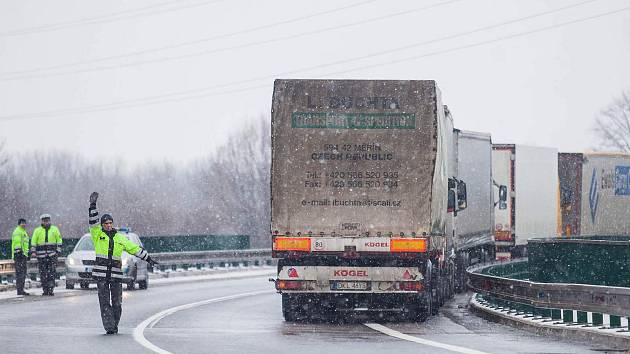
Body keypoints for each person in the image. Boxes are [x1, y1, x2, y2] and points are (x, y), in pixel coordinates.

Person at [88, 192, 158, 335]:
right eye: (106, 223)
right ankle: (109, 327)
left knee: (117, 303)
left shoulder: (120, 238)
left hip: (115, 275)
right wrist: (92, 205)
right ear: (102, 225)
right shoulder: (97, 235)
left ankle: (114, 322)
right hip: (101, 275)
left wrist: (148, 259)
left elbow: (134, 249)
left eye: (110, 223)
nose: (108, 225)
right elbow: (92, 221)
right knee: (104, 302)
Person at [30, 214, 62, 296]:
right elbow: (33, 241)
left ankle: (51, 289)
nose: (46, 222)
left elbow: (59, 240)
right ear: (42, 221)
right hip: (41, 256)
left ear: (50, 221)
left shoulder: (55, 229)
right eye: (44, 220)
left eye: (47, 220)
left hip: (52, 255)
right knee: (43, 273)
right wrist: (33, 251)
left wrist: (58, 252)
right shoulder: (37, 231)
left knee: (52, 272)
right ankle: (45, 289)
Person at [11, 218, 30, 296]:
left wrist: (26, 254)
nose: (24, 224)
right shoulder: (18, 231)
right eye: (22, 223)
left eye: (24, 223)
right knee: (20, 273)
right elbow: (17, 242)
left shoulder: (23, 232)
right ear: (19, 224)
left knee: (22, 273)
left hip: (23, 255)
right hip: (19, 255)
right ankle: (20, 290)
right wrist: (19, 252)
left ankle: (21, 289)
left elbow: (25, 244)